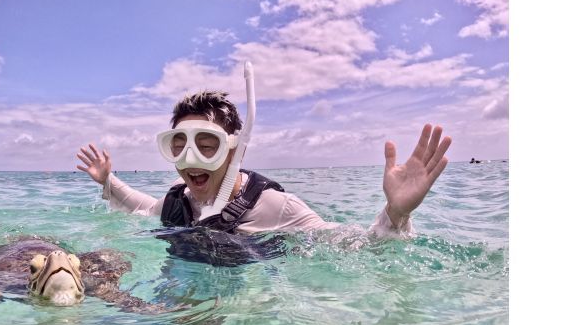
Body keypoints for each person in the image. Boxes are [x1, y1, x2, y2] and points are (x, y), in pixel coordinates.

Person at [76, 90, 451, 238]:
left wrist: (395, 214)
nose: (190, 159)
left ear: (235, 150)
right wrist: (108, 182)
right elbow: (142, 208)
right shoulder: (179, 202)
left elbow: (348, 245)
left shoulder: (273, 206)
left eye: (207, 147)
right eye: (179, 146)